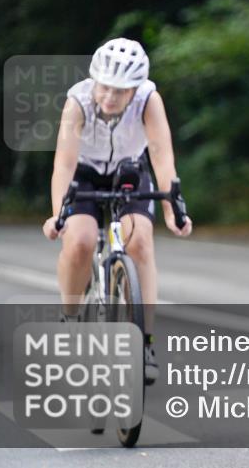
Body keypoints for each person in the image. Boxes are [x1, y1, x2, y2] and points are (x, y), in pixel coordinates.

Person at [42, 38, 193, 384]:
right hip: (84, 172)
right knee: (79, 241)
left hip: (129, 170)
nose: (110, 98)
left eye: (121, 91)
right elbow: (63, 165)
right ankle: (69, 318)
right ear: (95, 80)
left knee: (140, 241)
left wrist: (173, 208)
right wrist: (58, 216)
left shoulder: (148, 100)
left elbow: (161, 155)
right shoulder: (77, 101)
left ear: (135, 89)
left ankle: (145, 342)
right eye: (105, 88)